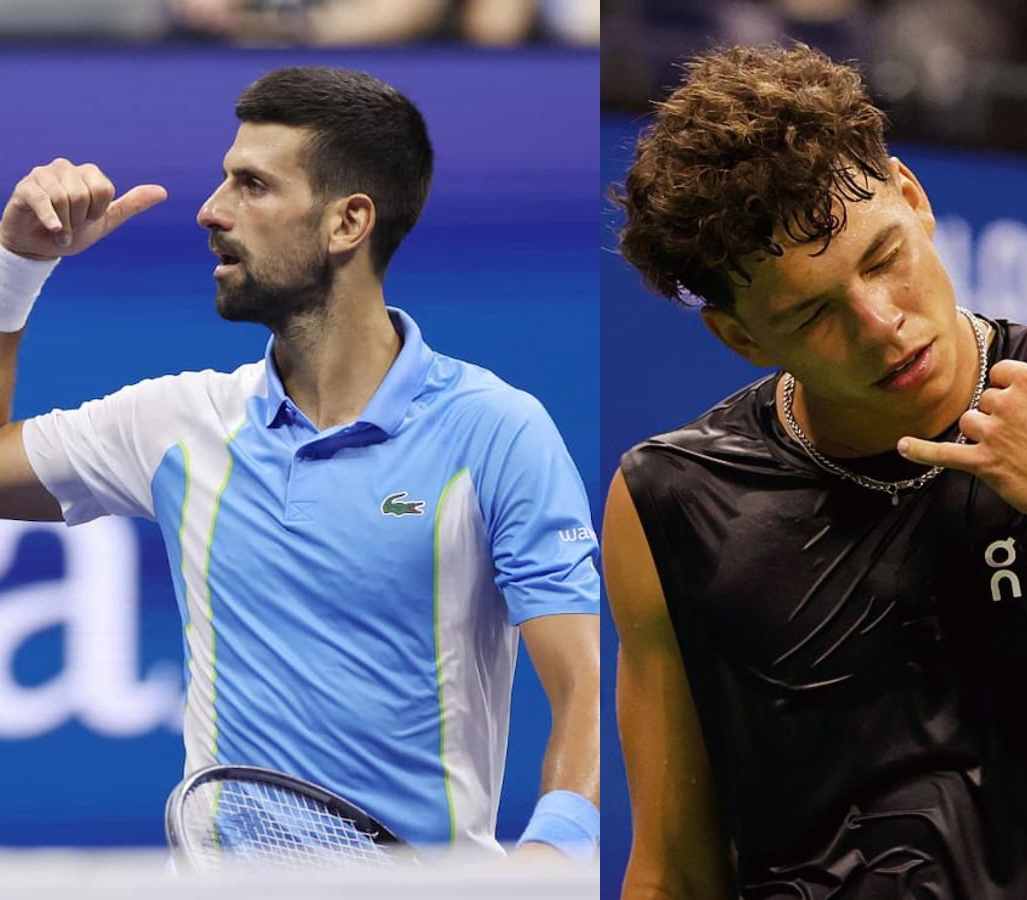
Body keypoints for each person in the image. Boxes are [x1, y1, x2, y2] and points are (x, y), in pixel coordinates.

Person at [605, 42, 1027, 898]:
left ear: (913, 197)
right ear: (741, 338)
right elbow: (671, 868)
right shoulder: (673, 502)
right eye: (814, 313)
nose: (881, 324)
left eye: (882, 260)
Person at [0, 66, 599, 861]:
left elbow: (584, 687)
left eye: (252, 185)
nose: (211, 211)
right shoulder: (177, 423)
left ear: (348, 222)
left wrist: (556, 853)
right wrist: (17, 267)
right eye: (223, 181)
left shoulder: (497, 432)